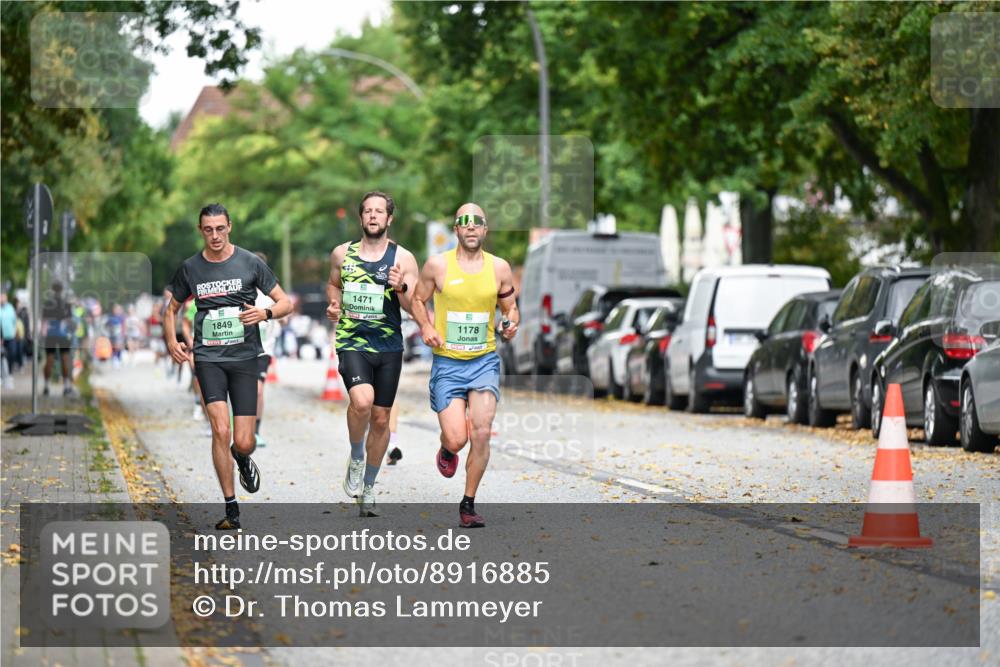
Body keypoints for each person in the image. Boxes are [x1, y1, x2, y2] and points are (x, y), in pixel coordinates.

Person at [164, 203, 292, 530]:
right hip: (208, 358)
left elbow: (285, 302)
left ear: (230, 227)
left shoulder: (249, 262)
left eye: (220, 228)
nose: (215, 235)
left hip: (245, 358)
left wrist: (264, 314)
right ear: (201, 231)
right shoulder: (191, 268)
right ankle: (231, 506)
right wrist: (172, 341)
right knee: (220, 429)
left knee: (244, 441)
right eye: (208, 230)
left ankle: (243, 456)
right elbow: (171, 308)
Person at [410, 203, 519, 528]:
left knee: (482, 432)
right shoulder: (437, 266)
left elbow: (511, 308)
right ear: (456, 229)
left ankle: (468, 504)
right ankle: (447, 449)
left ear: (485, 230)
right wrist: (427, 327)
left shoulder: (499, 268)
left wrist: (511, 324)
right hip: (448, 363)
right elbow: (417, 299)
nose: (471, 228)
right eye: (464, 222)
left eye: (478, 223)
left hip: (484, 361)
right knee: (458, 438)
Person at [326, 191, 419, 517]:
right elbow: (333, 284)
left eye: (380, 211)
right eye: (368, 211)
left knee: (381, 420)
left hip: (389, 347)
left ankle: (368, 488)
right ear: (361, 217)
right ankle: (355, 455)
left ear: (389, 219)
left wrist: (400, 288)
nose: (374, 216)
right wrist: (334, 303)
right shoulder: (342, 254)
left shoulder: (402, 259)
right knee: (362, 402)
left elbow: (412, 305)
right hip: (352, 341)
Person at [253, 251, 280, 447]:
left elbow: (285, 310)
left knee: (258, 390)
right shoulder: (242, 289)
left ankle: (255, 430)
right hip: (242, 348)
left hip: (264, 349)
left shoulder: (272, 292)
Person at [41, 281, 75, 396]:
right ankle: (65, 386)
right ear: (61, 290)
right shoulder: (66, 304)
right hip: (63, 335)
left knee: (49, 360)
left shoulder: (48, 303)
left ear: (52, 290)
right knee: (64, 360)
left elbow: (44, 321)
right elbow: (70, 322)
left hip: (50, 335)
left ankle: (46, 386)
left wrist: (42, 334)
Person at [0, 293, 18, 387]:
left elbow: (15, 321)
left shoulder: (10, 308)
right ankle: (1, 377)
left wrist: (14, 332)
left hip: (10, 336)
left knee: (11, 354)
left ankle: (9, 375)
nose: (1, 298)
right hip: (1, 338)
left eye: (3, 296)